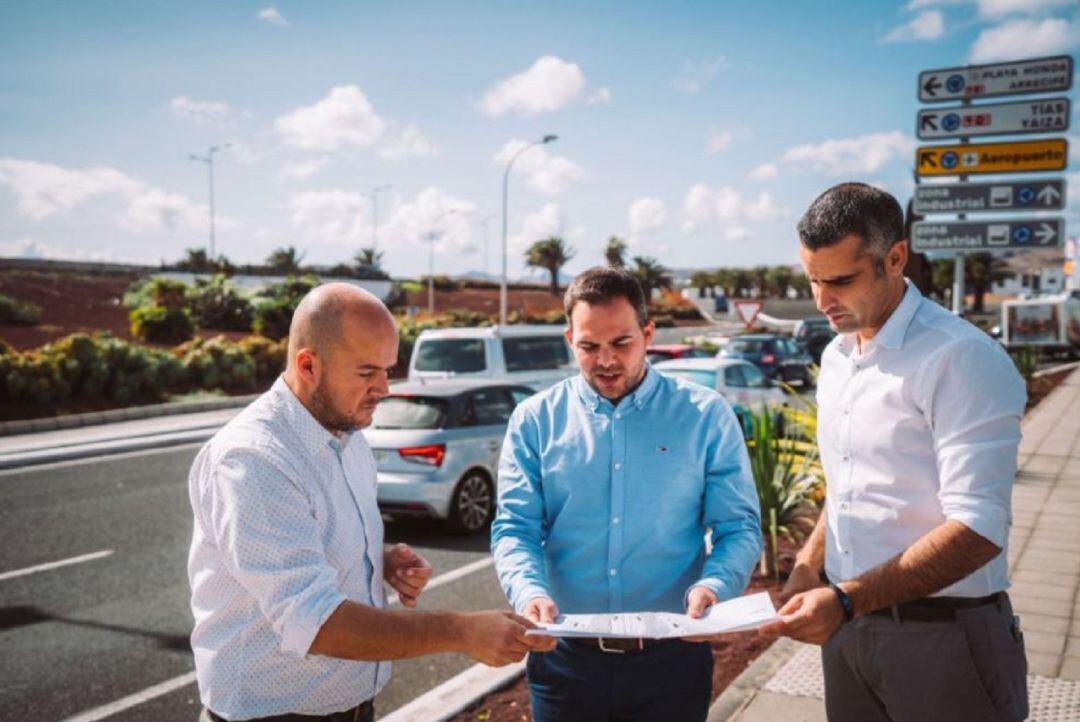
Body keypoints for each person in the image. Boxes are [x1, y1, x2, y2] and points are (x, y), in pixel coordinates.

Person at [188, 283, 552, 722]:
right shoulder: (254, 459)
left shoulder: (349, 436)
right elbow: (315, 621)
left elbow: (293, 550)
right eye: (366, 373)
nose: (384, 388)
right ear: (308, 365)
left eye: (387, 370)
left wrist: (377, 561)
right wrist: (461, 630)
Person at [760, 183, 1028, 722]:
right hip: (851, 633)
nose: (821, 301)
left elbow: (979, 529)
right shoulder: (837, 357)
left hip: (945, 639)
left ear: (896, 258)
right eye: (812, 279)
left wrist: (846, 599)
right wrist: (811, 569)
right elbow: (848, 485)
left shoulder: (962, 358)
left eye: (840, 280)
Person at [491, 266, 762, 722]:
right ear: (568, 339)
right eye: (589, 346)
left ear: (649, 332)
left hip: (671, 663)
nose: (606, 361)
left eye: (621, 343)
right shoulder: (534, 420)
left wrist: (715, 586)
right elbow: (515, 527)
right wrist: (528, 591)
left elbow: (738, 528)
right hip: (564, 661)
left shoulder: (705, 416)